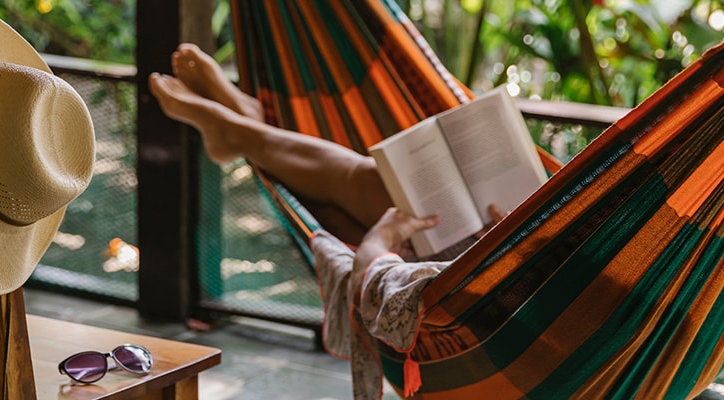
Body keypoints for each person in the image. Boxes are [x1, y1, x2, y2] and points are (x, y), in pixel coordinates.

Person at [148, 44, 507, 398]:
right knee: (357, 200)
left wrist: (382, 239)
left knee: (359, 203)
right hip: (497, 277)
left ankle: (237, 131)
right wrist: (514, 239)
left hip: (475, 307)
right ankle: (239, 130)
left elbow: (375, 285)